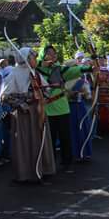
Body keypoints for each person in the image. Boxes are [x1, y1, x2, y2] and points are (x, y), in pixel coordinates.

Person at [0, 47, 56, 182]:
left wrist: (44, 93)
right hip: (24, 115)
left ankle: (43, 169)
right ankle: (26, 174)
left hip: (38, 112)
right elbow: (4, 97)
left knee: (41, 139)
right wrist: (24, 100)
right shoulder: (14, 74)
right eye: (33, 58)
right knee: (25, 141)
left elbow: (46, 90)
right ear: (26, 59)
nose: (35, 60)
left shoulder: (35, 73)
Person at [36, 45, 93, 173]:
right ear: (43, 55)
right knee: (49, 139)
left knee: (65, 138)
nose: (52, 56)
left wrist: (91, 67)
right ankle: (48, 164)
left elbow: (77, 70)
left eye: (54, 54)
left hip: (62, 108)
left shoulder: (60, 69)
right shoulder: (36, 69)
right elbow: (28, 61)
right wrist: (43, 63)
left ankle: (66, 162)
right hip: (46, 108)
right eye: (49, 53)